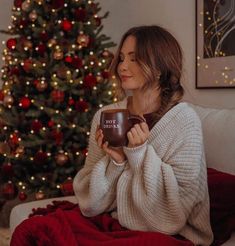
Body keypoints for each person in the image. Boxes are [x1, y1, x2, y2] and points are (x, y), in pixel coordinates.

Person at [73, 25, 214, 246]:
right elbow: (89, 202)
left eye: (134, 58)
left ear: (159, 67)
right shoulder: (105, 115)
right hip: (111, 223)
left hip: (170, 233)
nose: (122, 67)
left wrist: (139, 154)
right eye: (121, 58)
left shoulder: (185, 121)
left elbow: (175, 214)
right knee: (35, 229)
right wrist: (116, 161)